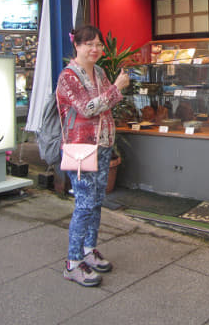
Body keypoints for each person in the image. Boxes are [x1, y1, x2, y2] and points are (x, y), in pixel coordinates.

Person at [56, 25, 130, 287]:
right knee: (85, 204)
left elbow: (107, 103)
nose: (95, 49)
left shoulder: (99, 72)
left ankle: (89, 250)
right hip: (80, 148)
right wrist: (117, 87)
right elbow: (87, 109)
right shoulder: (68, 76)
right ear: (76, 45)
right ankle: (72, 263)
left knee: (96, 201)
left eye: (98, 44)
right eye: (89, 44)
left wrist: (114, 90)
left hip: (103, 145)